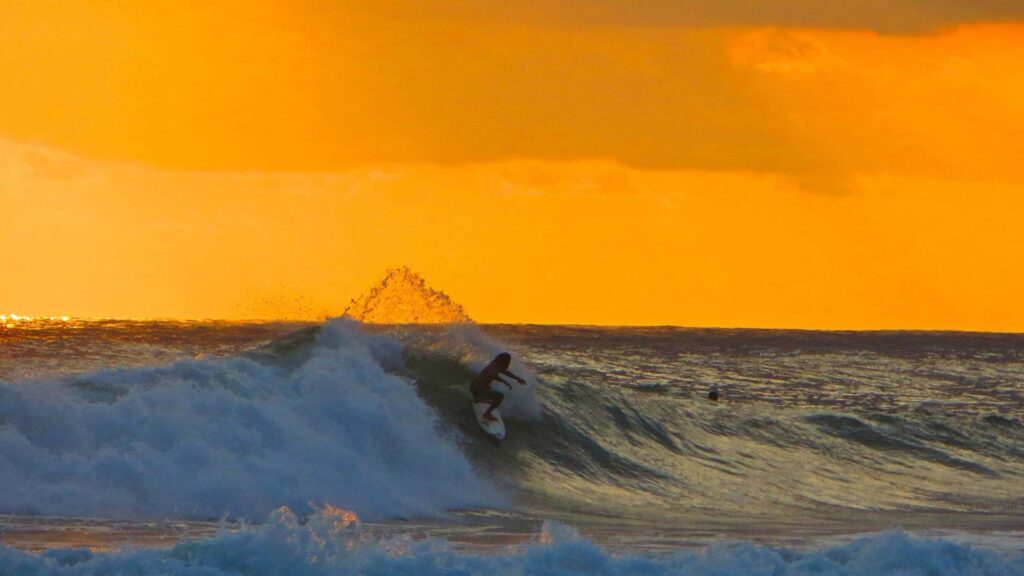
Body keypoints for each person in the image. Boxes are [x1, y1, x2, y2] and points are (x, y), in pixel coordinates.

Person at [471, 352, 526, 421]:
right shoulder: (494, 366)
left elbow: (507, 373)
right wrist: (505, 382)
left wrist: (517, 378)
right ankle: (487, 414)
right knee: (500, 396)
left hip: (474, 387)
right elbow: (493, 375)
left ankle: (478, 398)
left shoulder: (495, 365)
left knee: (488, 387)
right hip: (478, 389)